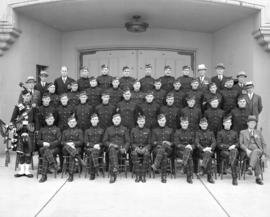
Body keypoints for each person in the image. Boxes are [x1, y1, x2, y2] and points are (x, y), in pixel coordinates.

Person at [11, 89, 38, 178]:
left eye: (29, 96)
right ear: (22, 96)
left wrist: (36, 129)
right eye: (26, 95)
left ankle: (27, 170)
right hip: (20, 130)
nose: (27, 97)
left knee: (28, 151)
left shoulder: (33, 107)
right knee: (21, 151)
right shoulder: (18, 107)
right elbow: (13, 120)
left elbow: (36, 120)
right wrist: (18, 125)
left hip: (29, 130)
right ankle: (21, 170)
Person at [103, 113, 130, 183]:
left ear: (120, 120)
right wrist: (111, 144)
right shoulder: (108, 129)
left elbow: (128, 141)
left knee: (113, 152)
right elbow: (104, 141)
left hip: (121, 149)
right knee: (112, 150)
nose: (116, 120)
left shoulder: (125, 129)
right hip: (111, 149)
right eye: (115, 119)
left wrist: (125, 148)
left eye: (118, 119)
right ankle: (114, 173)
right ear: (112, 120)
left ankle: (114, 169)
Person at [239, 115, 266, 185]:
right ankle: (258, 177)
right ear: (247, 123)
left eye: (254, 123)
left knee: (256, 151)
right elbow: (241, 144)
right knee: (255, 156)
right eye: (250, 122)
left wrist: (264, 154)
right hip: (248, 152)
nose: (252, 124)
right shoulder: (242, 132)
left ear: (255, 124)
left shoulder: (258, 132)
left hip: (258, 150)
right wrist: (246, 150)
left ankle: (250, 167)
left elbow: (264, 144)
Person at [37, 113, 61, 183]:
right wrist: (43, 143)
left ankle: (44, 176)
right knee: (45, 150)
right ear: (45, 120)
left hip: (54, 149)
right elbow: (38, 141)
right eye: (48, 119)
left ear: (53, 120)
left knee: (46, 154)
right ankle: (53, 164)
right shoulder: (42, 129)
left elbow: (59, 141)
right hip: (43, 148)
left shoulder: (57, 129)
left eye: (51, 119)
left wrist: (50, 144)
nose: (49, 120)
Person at [151, 114, 174, 183]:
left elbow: (173, 142)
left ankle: (156, 165)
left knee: (164, 146)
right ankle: (163, 176)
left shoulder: (170, 130)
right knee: (163, 154)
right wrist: (161, 143)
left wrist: (167, 143)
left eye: (163, 120)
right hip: (157, 149)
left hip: (168, 149)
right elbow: (152, 142)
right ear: (158, 121)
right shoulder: (154, 130)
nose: (162, 122)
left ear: (165, 120)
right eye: (160, 120)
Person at [61, 115, 85, 182]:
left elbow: (81, 142)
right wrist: (68, 144)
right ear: (68, 123)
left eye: (73, 122)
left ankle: (70, 175)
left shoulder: (79, 131)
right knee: (67, 147)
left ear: (76, 123)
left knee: (72, 154)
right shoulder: (64, 131)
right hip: (66, 149)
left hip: (76, 148)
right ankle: (79, 158)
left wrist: (73, 144)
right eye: (70, 122)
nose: (72, 123)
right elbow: (62, 142)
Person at [217, 116, 239, 185]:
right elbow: (219, 144)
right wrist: (229, 147)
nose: (228, 124)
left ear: (231, 124)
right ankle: (234, 177)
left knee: (234, 151)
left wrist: (234, 146)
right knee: (233, 157)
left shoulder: (234, 133)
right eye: (226, 123)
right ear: (223, 124)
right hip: (224, 151)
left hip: (234, 150)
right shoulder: (220, 133)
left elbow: (238, 143)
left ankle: (230, 165)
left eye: (229, 123)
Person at [174, 116, 195, 184]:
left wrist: (191, 146)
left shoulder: (191, 132)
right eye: (183, 123)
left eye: (186, 123)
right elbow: (177, 144)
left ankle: (184, 166)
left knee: (188, 154)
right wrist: (186, 147)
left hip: (189, 151)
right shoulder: (177, 132)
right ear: (180, 123)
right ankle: (189, 176)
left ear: (188, 123)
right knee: (189, 156)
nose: (184, 124)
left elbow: (194, 144)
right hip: (179, 151)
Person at [130, 115, 151, 183]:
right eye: (139, 121)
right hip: (136, 149)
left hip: (145, 149)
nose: (141, 123)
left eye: (142, 121)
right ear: (137, 122)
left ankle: (143, 175)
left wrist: (145, 148)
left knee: (146, 154)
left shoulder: (148, 130)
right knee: (134, 154)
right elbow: (131, 142)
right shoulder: (133, 130)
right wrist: (136, 148)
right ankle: (138, 175)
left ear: (144, 122)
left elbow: (150, 143)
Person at [195, 117, 216, 184]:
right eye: (202, 124)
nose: (204, 125)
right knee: (208, 157)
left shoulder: (211, 133)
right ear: (200, 125)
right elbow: (196, 143)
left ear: (207, 124)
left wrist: (210, 148)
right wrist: (203, 149)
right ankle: (209, 177)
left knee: (208, 154)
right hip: (201, 152)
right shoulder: (198, 133)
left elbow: (214, 142)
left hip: (210, 151)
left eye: (205, 124)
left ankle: (203, 169)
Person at [84, 113, 105, 180]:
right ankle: (96, 168)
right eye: (93, 119)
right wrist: (93, 145)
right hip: (89, 148)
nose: (94, 121)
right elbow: (86, 142)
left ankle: (92, 173)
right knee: (93, 151)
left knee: (93, 153)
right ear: (90, 121)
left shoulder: (102, 130)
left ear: (98, 120)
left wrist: (98, 145)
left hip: (99, 148)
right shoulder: (87, 131)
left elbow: (104, 141)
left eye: (96, 119)